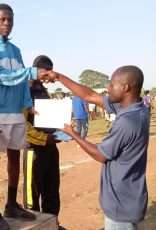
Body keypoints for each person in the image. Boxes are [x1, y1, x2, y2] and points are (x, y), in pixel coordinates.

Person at [0, 4, 51, 229]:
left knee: (15, 156)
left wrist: (28, 104)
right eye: (2, 20)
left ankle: (10, 204)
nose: (6, 23)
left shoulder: (16, 50)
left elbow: (20, 84)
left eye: (10, 19)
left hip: (14, 110)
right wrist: (32, 72)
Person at [48, 66, 149, 230]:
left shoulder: (128, 122)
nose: (108, 88)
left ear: (125, 88)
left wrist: (73, 134)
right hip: (130, 198)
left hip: (120, 206)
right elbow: (89, 95)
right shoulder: (136, 108)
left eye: (112, 84)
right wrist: (59, 76)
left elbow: (101, 155)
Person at [24, 55, 65, 230]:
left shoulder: (42, 89)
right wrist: (43, 139)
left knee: (52, 192)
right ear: (39, 70)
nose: (50, 77)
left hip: (50, 147)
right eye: (47, 73)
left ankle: (52, 225)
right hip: (34, 150)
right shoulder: (24, 90)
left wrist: (59, 130)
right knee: (32, 196)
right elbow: (23, 125)